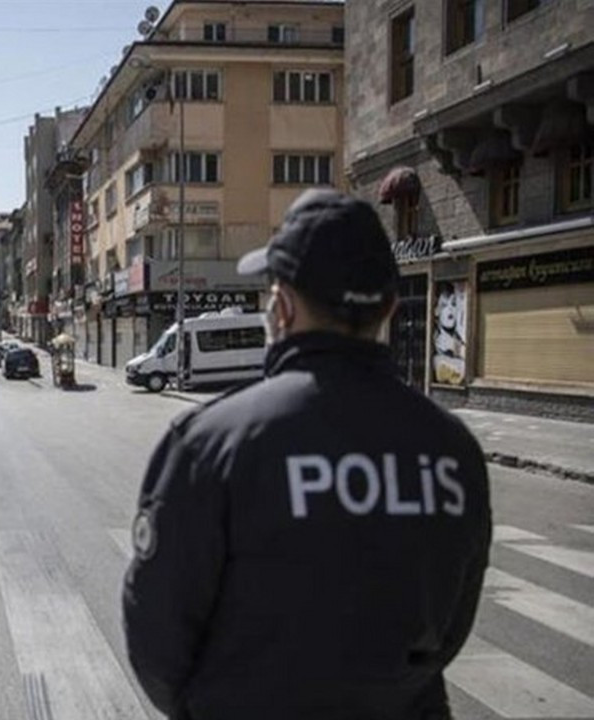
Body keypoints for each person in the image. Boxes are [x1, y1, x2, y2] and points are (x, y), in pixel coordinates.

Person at [123, 189, 491, 720]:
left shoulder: (211, 442)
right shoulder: (453, 450)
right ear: (388, 308)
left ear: (283, 306)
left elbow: (157, 632)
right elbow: (451, 627)